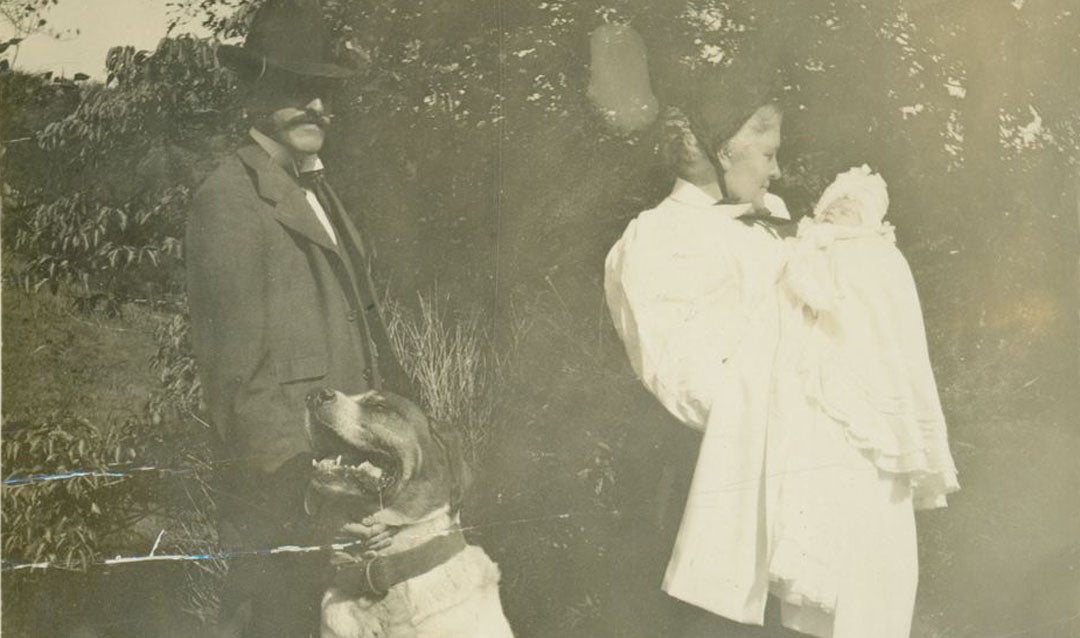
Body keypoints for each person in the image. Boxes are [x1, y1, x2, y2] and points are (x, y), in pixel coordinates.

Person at [186, 1, 411, 635]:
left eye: (324, 91)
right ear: (254, 95)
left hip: (352, 474)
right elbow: (236, 378)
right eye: (294, 88)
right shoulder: (229, 199)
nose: (316, 107)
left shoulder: (319, 189)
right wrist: (303, 485)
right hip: (291, 487)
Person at [605, 53, 797, 635]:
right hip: (711, 480)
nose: (777, 171)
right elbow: (688, 383)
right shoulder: (657, 238)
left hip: (790, 464)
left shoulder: (768, 220)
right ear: (722, 150)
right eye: (767, 154)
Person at [767, 165, 959, 637]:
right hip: (818, 394)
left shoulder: (882, 258)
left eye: (853, 207)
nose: (840, 213)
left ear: (872, 218)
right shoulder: (805, 247)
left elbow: (897, 333)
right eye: (835, 204)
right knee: (823, 508)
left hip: (873, 394)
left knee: (877, 515)